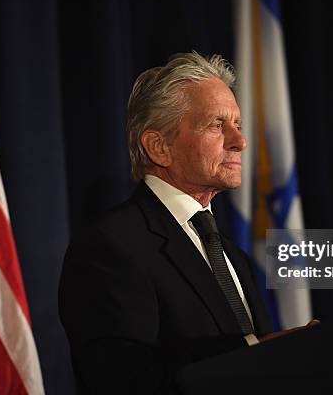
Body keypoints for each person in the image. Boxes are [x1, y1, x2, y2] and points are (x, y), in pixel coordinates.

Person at [59, 51, 317, 394]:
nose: (239, 141)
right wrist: (258, 348)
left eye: (238, 125)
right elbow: (120, 377)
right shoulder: (111, 245)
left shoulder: (230, 253)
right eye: (217, 125)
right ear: (158, 146)